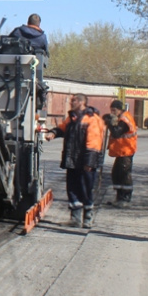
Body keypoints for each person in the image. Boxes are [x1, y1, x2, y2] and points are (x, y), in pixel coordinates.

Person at [45, 93, 105, 228]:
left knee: (86, 189)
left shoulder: (91, 119)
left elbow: (94, 142)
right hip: (73, 160)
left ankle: (87, 218)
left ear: (82, 102)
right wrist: (53, 133)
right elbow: (62, 128)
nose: (71, 102)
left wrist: (89, 162)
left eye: (74, 100)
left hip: (85, 162)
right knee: (72, 188)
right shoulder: (72, 118)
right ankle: (75, 218)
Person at [104, 99, 138, 206]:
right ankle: (119, 197)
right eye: (111, 110)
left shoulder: (125, 120)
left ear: (119, 109)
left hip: (127, 151)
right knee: (116, 174)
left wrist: (109, 124)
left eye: (114, 110)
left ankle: (125, 198)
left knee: (124, 174)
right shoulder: (121, 118)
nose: (113, 113)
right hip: (122, 151)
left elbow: (117, 132)